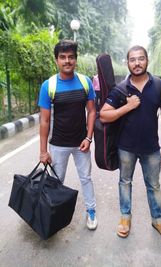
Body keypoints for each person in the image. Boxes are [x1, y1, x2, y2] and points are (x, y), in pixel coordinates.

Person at [100, 45, 161, 243]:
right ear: (128, 63)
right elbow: (104, 115)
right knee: (125, 182)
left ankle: (158, 221)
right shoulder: (120, 89)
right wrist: (127, 106)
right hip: (126, 148)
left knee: (154, 185)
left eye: (141, 58)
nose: (137, 63)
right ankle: (125, 218)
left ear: (147, 60)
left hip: (151, 148)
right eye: (132, 59)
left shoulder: (160, 86)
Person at [38, 39, 97, 230]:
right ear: (56, 60)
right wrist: (43, 151)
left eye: (71, 57)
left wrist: (89, 138)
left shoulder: (85, 82)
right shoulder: (49, 86)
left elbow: (92, 111)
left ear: (75, 59)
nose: (67, 61)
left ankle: (91, 211)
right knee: (56, 182)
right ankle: (52, 215)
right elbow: (44, 121)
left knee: (86, 178)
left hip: (81, 143)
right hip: (58, 145)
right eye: (62, 57)